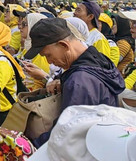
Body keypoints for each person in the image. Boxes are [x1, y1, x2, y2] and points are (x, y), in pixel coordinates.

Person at [26, 17, 125, 147]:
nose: (49, 62)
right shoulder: (97, 59)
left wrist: (31, 146)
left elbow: (67, 133)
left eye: (48, 55)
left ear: (64, 45)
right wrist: (64, 79)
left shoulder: (80, 80)